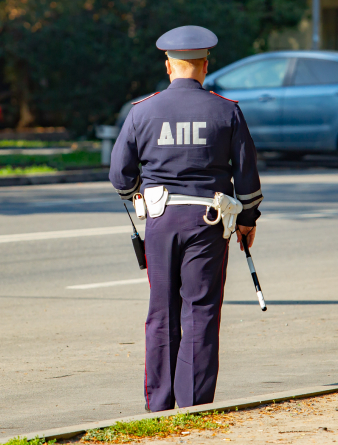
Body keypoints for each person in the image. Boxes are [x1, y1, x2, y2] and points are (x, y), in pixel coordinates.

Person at [109, 25, 263, 412]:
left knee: (161, 311)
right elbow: (246, 175)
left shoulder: (142, 111)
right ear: (205, 66)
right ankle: (195, 405)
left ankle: (159, 406)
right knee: (200, 311)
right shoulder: (227, 110)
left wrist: (135, 193)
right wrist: (247, 218)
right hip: (209, 222)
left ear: (168, 66)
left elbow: (120, 175)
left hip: (160, 221)